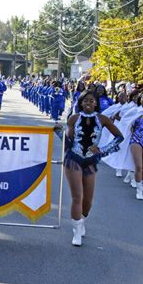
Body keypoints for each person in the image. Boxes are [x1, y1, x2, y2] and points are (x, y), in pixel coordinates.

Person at [57, 90, 123, 246]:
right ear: (80, 102)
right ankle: (77, 231)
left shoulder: (103, 119)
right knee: (77, 197)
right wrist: (60, 132)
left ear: (96, 103)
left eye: (91, 100)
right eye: (85, 100)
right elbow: (68, 143)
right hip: (74, 159)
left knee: (88, 200)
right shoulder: (74, 118)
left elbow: (119, 137)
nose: (88, 103)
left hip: (91, 161)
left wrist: (103, 150)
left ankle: (81, 221)